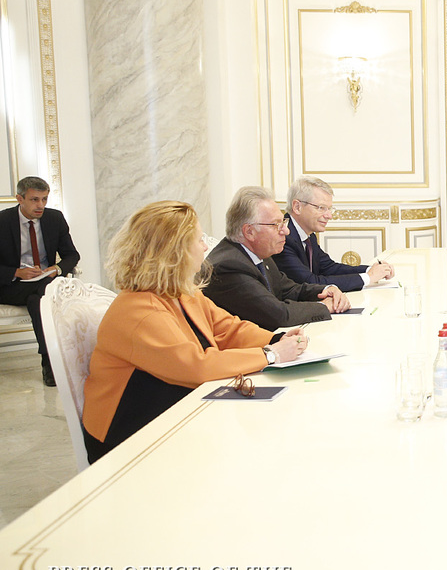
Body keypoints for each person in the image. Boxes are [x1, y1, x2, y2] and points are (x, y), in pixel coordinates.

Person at [82, 201, 307, 463]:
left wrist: (276, 339)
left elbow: (228, 329)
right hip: (130, 434)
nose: (205, 247)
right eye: (199, 239)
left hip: (175, 410)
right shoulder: (137, 309)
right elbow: (195, 367)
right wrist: (270, 354)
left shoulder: (181, 292)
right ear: (174, 250)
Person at [206, 186, 351, 329]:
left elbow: (290, 290)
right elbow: (277, 314)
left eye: (283, 222)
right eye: (276, 225)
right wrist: (323, 306)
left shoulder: (260, 254)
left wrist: (327, 290)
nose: (286, 231)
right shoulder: (229, 266)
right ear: (249, 231)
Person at [0, 176, 81, 386]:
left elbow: (72, 255)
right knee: (45, 292)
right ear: (20, 199)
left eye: (44, 199)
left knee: (38, 300)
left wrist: (56, 268)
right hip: (11, 286)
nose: (41, 205)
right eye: (35, 200)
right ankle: (52, 362)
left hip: (44, 282)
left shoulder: (54, 218)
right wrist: (17, 272)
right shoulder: (3, 221)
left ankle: (48, 362)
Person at [276, 176, 395, 291]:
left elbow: (329, 268)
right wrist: (369, 277)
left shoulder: (308, 235)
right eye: (321, 208)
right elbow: (310, 282)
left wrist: (371, 270)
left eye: (329, 209)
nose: (329, 216)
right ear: (297, 207)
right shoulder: (282, 238)